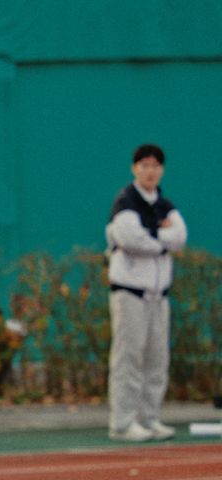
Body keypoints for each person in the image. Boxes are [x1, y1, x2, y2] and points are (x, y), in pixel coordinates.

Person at [105, 143, 187, 442]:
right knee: (129, 357)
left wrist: (154, 237)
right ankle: (123, 422)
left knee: (157, 358)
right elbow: (130, 238)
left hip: (158, 294)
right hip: (130, 293)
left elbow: (180, 236)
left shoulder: (165, 204)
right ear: (134, 168)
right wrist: (160, 237)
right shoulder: (125, 201)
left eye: (155, 166)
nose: (150, 171)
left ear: (161, 170)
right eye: (144, 165)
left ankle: (149, 417)